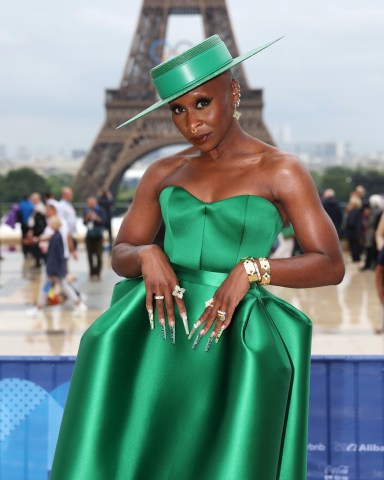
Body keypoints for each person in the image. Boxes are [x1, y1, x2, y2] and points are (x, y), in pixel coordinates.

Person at [51, 35, 344, 480]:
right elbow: (120, 253)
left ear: (234, 92)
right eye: (178, 109)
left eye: (203, 103)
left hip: (233, 338)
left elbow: (330, 263)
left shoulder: (281, 170)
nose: (191, 123)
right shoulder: (163, 172)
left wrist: (253, 269)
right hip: (156, 337)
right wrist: (147, 253)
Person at [83, 196, 105, 280]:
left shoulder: (100, 210)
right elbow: (84, 222)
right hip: (89, 235)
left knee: (99, 255)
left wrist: (96, 218)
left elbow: (104, 221)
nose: (90, 204)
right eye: (89, 203)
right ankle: (92, 271)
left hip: (98, 235)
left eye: (91, 203)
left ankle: (98, 272)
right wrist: (87, 218)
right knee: (90, 255)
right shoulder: (86, 210)